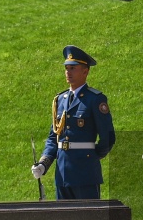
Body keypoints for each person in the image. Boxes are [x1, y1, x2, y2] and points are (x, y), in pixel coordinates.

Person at [32, 46, 115, 199]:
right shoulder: (60, 100)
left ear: (85, 71)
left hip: (86, 173)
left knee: (88, 214)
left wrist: (92, 156)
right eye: (66, 68)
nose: (68, 72)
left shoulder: (94, 99)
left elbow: (108, 137)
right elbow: (54, 137)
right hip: (62, 173)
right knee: (63, 215)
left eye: (73, 68)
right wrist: (44, 163)